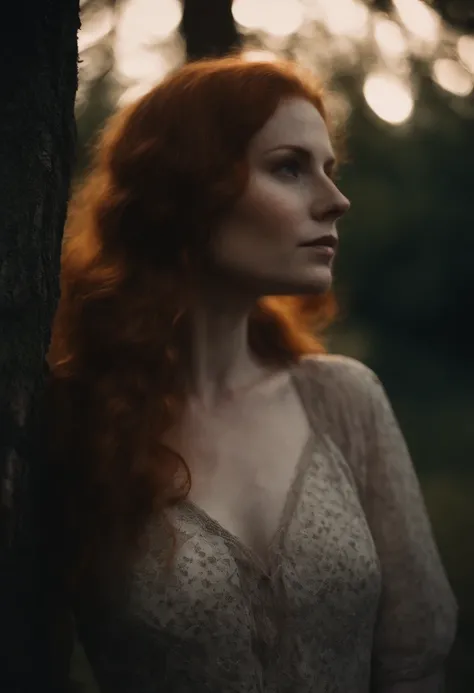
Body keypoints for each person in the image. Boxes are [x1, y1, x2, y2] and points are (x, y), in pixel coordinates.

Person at [46, 55, 458, 693]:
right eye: (289, 168)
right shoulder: (75, 420)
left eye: (330, 170)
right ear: (186, 188)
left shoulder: (343, 399)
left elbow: (416, 664)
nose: (336, 201)